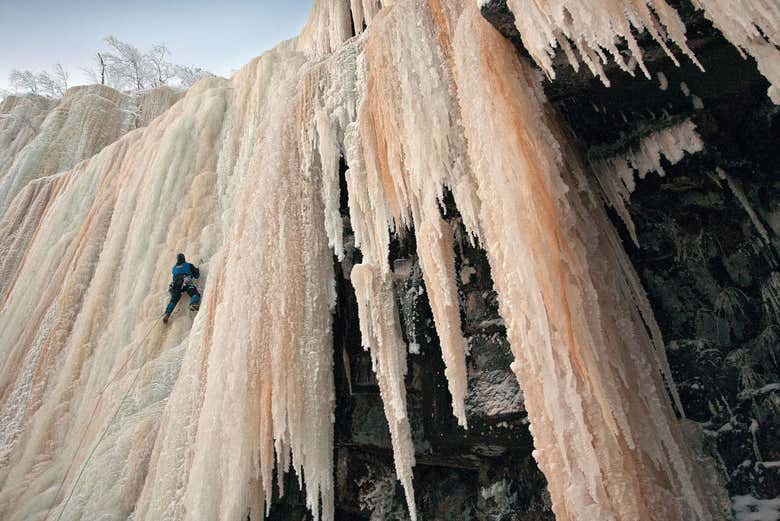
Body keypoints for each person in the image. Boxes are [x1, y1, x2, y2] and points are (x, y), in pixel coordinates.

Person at [163, 253, 201, 323]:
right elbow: (196, 275)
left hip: (175, 285)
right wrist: (197, 270)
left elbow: (174, 277)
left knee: (173, 300)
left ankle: (167, 314)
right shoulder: (188, 265)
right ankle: (193, 303)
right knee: (194, 293)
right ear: (184, 258)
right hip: (186, 281)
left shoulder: (174, 268)